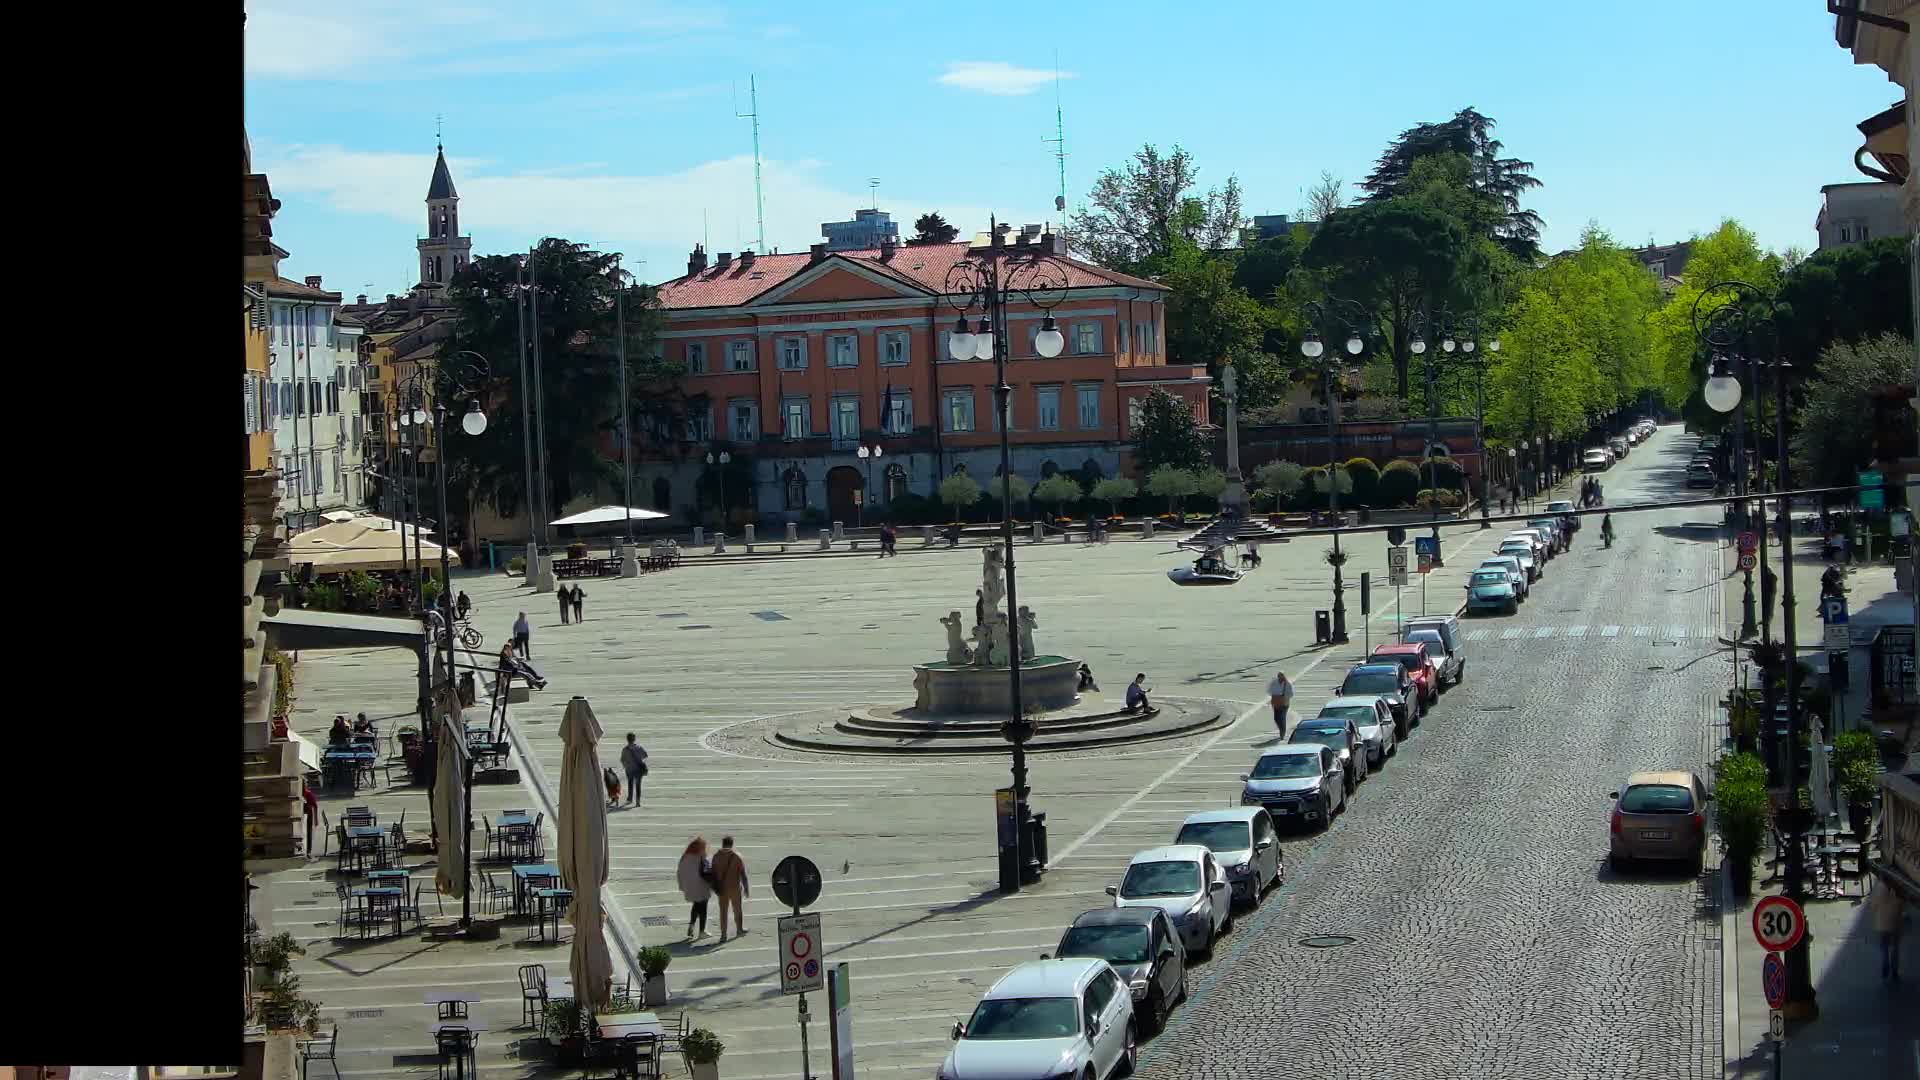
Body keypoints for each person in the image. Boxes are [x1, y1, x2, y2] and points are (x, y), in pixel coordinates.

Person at [709, 835, 751, 942]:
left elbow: (712, 873)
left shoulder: (716, 856)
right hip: (735, 888)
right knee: (737, 909)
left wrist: (713, 887)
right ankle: (739, 929)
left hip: (722, 889)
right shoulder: (737, 856)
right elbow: (742, 873)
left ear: (722, 844)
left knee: (723, 912)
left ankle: (723, 935)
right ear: (732, 844)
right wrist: (746, 888)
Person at [677, 837, 713, 939]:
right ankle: (702, 932)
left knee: (696, 905)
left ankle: (691, 926)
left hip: (690, 887)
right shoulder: (701, 857)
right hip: (701, 886)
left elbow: (679, 871)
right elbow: (705, 872)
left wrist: (682, 885)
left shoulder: (685, 856)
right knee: (703, 909)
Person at [1872, 881, 1906, 981]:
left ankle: (1885, 964)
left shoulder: (1880, 887)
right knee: (1895, 947)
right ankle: (1894, 971)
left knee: (1884, 947)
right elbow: (1903, 905)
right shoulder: (1899, 888)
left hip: (1882, 923)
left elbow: (1873, 905)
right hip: (1895, 922)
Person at [620, 733, 649, 807]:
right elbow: (645, 755)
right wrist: (641, 761)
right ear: (634, 739)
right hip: (638, 769)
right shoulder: (639, 747)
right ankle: (638, 802)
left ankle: (630, 799)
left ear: (627, 739)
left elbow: (622, 760)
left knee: (630, 783)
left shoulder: (625, 749)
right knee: (638, 785)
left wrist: (625, 765)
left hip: (629, 769)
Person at [1267, 669, 1294, 734]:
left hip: (1284, 704)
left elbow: (1291, 694)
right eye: (1279, 676)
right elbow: (1269, 691)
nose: (1280, 677)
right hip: (1276, 703)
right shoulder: (1274, 682)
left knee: (1282, 717)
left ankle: (1282, 732)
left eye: (1282, 676)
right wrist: (1276, 695)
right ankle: (1281, 729)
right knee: (1276, 718)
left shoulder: (1288, 684)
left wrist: (1284, 697)